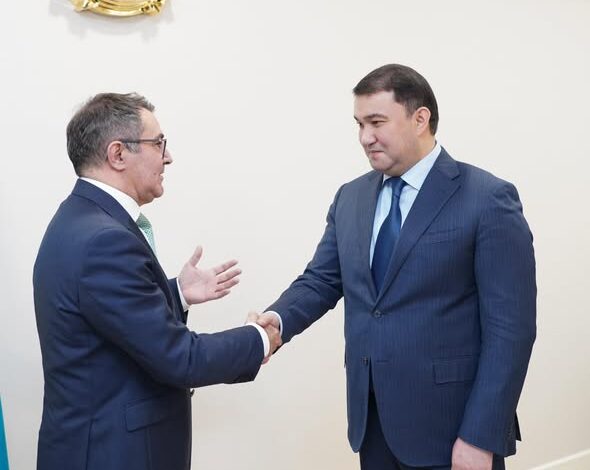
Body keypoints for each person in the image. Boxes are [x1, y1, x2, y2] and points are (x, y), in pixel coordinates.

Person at [256, 64, 536, 470]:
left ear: (420, 119)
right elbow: (321, 280)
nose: (364, 137)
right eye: (359, 124)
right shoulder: (350, 198)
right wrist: (278, 321)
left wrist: (481, 436)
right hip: (373, 426)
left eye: (377, 122)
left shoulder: (487, 199)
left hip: (453, 430)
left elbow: (511, 331)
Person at [33, 93, 281, 470]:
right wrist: (259, 338)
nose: (168, 157)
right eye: (158, 143)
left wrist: (177, 293)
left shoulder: (79, 218)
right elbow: (180, 359)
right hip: (112, 455)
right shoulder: (104, 240)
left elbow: (111, 318)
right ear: (118, 154)